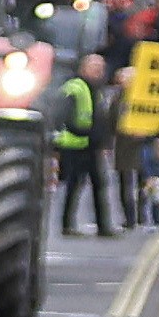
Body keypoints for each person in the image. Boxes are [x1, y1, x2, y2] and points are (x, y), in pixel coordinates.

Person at [54, 62, 111, 235]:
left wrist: (102, 141)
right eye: (95, 68)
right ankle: (67, 225)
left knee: (99, 186)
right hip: (75, 146)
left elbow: (99, 119)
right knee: (73, 187)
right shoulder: (75, 87)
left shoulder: (97, 90)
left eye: (101, 68)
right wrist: (85, 133)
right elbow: (64, 117)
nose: (99, 72)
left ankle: (104, 227)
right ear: (84, 69)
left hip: (92, 147)